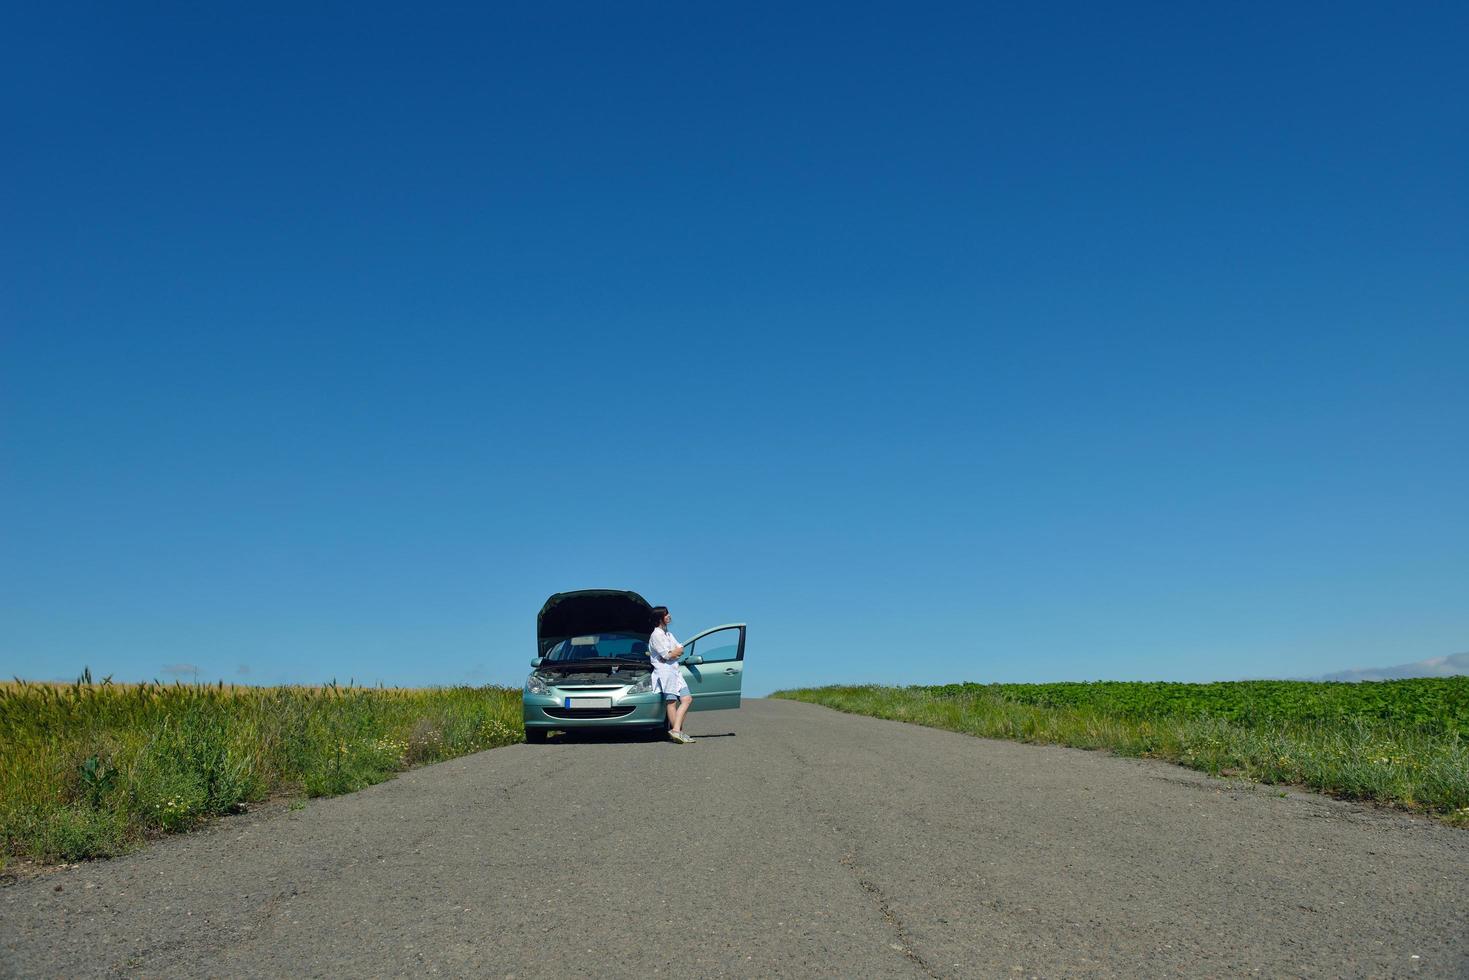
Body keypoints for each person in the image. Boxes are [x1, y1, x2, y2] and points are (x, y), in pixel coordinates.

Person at [648, 606, 695, 744]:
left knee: (687, 699)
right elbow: (667, 655)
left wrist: (673, 653)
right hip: (665, 672)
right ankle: (677, 732)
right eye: (666, 614)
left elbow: (680, 649)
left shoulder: (668, 634)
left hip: (675, 671)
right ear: (659, 618)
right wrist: (672, 653)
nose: (669, 616)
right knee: (672, 702)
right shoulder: (655, 635)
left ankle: (676, 730)